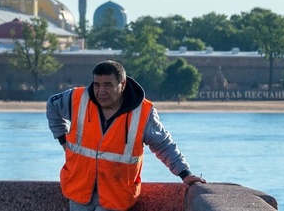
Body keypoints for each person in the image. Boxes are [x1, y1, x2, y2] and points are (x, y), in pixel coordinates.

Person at [46, 60, 205, 211]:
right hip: (78, 190)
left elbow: (164, 145)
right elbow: (52, 105)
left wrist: (185, 174)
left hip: (116, 196)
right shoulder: (77, 99)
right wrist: (62, 139)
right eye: (97, 85)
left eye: (108, 85)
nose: (101, 91)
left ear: (122, 85)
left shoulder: (143, 113)